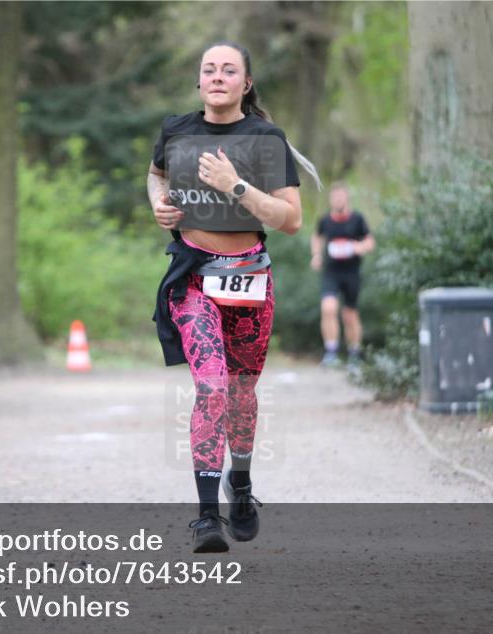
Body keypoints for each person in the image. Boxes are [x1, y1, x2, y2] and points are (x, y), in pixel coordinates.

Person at [149, 41, 321, 553]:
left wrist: (236, 185)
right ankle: (206, 518)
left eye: (229, 70)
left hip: (250, 281)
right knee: (213, 389)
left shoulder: (266, 139)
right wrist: (159, 202)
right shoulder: (176, 131)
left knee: (242, 397)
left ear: (246, 83)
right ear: (199, 81)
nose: (218, 76)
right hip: (194, 278)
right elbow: (156, 175)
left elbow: (291, 221)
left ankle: (240, 484)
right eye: (209, 69)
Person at [310, 182, 374, 372]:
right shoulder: (325, 220)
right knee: (328, 308)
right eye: (334, 197)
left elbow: (370, 241)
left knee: (349, 315)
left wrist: (360, 247)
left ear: (346, 198)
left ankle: (355, 353)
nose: (338, 200)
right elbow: (316, 237)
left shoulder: (357, 219)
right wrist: (317, 255)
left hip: (351, 273)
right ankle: (331, 352)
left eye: (341, 196)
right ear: (331, 200)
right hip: (332, 272)